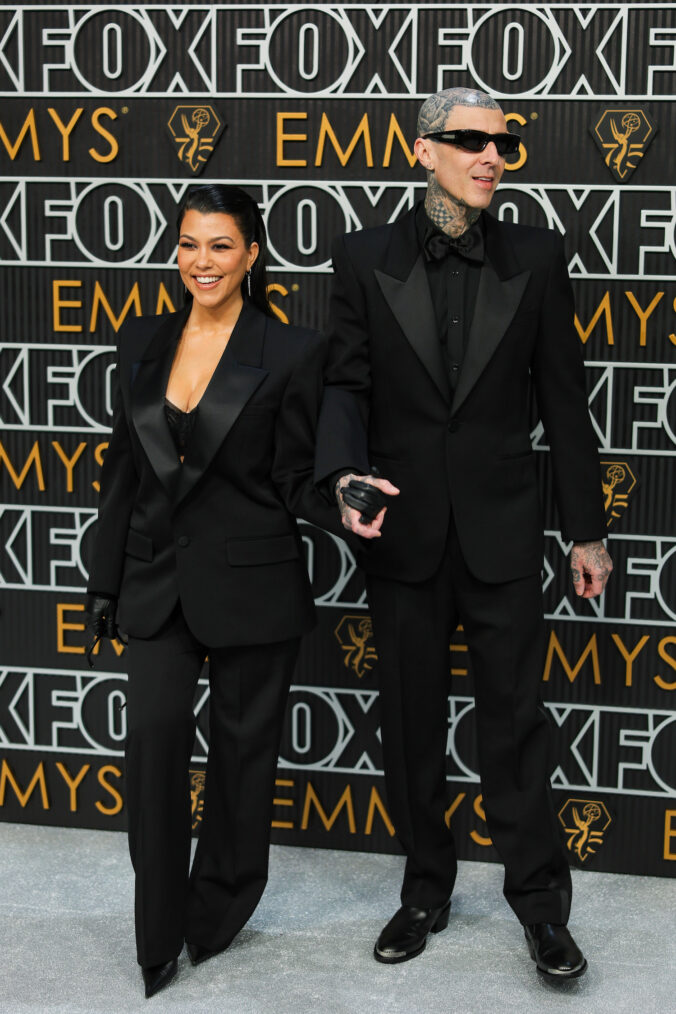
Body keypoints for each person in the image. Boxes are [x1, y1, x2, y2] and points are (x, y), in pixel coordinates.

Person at [314, 87, 613, 979]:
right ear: (424, 150)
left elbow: (565, 401)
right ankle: (424, 891)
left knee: (516, 726)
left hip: (503, 532)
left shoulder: (538, 255)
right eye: (470, 140)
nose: (491, 155)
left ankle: (541, 911)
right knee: (410, 726)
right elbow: (345, 388)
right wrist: (341, 477)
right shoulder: (364, 258)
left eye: (503, 143)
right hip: (403, 533)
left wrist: (586, 533)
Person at [86, 184, 338, 999]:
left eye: (221, 245)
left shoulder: (292, 350)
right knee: (153, 750)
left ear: (253, 255)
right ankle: (156, 932)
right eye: (190, 244)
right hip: (155, 583)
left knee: (241, 764)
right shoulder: (142, 339)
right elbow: (124, 469)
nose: (203, 262)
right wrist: (104, 579)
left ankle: (217, 912)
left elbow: (297, 476)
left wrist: (344, 498)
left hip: (252, 583)